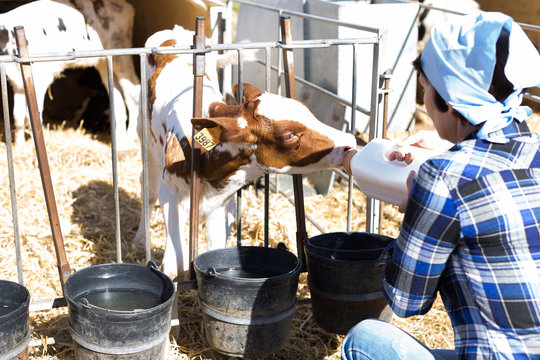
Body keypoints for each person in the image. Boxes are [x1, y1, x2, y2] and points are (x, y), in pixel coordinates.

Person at [341, 11, 540, 360]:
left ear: (447, 102)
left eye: (425, 93)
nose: (426, 108)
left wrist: (420, 208)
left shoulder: (443, 177)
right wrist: (456, 149)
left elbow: (406, 301)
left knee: (363, 339)